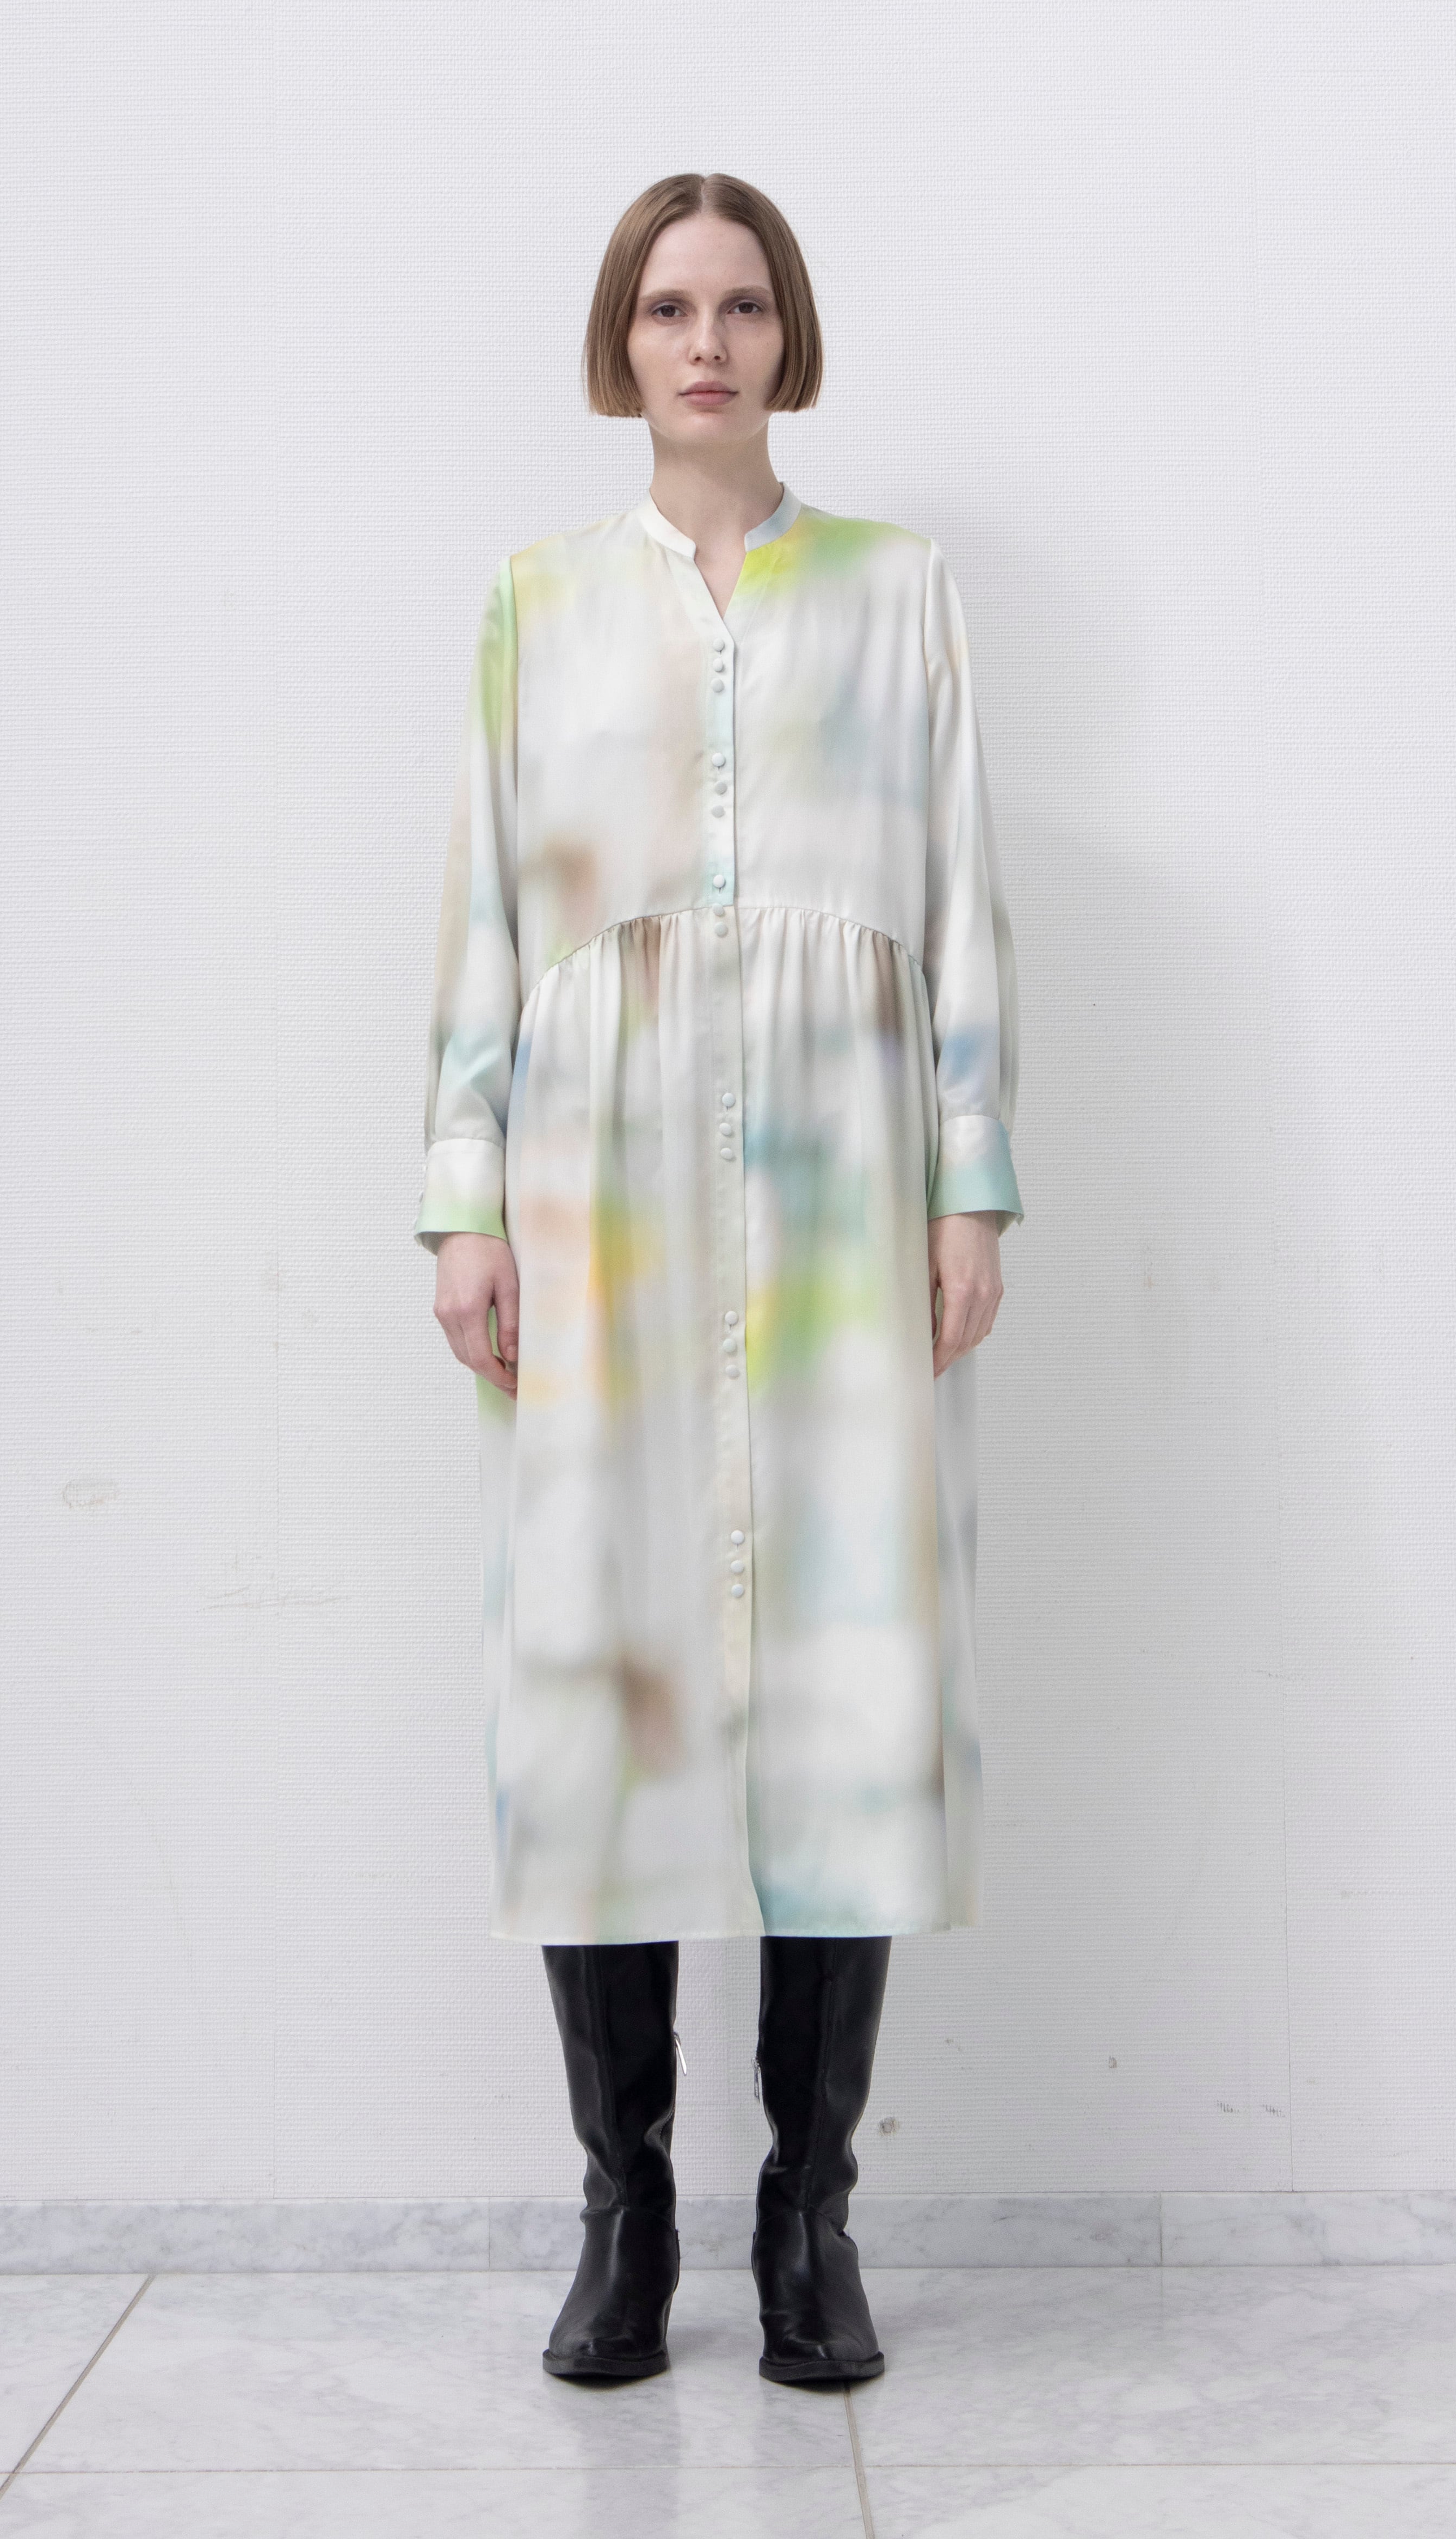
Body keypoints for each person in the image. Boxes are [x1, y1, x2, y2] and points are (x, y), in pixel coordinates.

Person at [415, 171, 1023, 2387]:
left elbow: (959, 892)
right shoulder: (535, 601)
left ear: (789, 336)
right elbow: (486, 909)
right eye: (668, 306)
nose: (706, 342)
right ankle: (626, 2211)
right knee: (602, 1688)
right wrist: (462, 1196)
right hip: (600, 1201)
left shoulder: (898, 591)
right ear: (620, 340)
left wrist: (969, 1180)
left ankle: (808, 2215)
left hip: (848, 1201)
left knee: (852, 1689)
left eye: (743, 304)